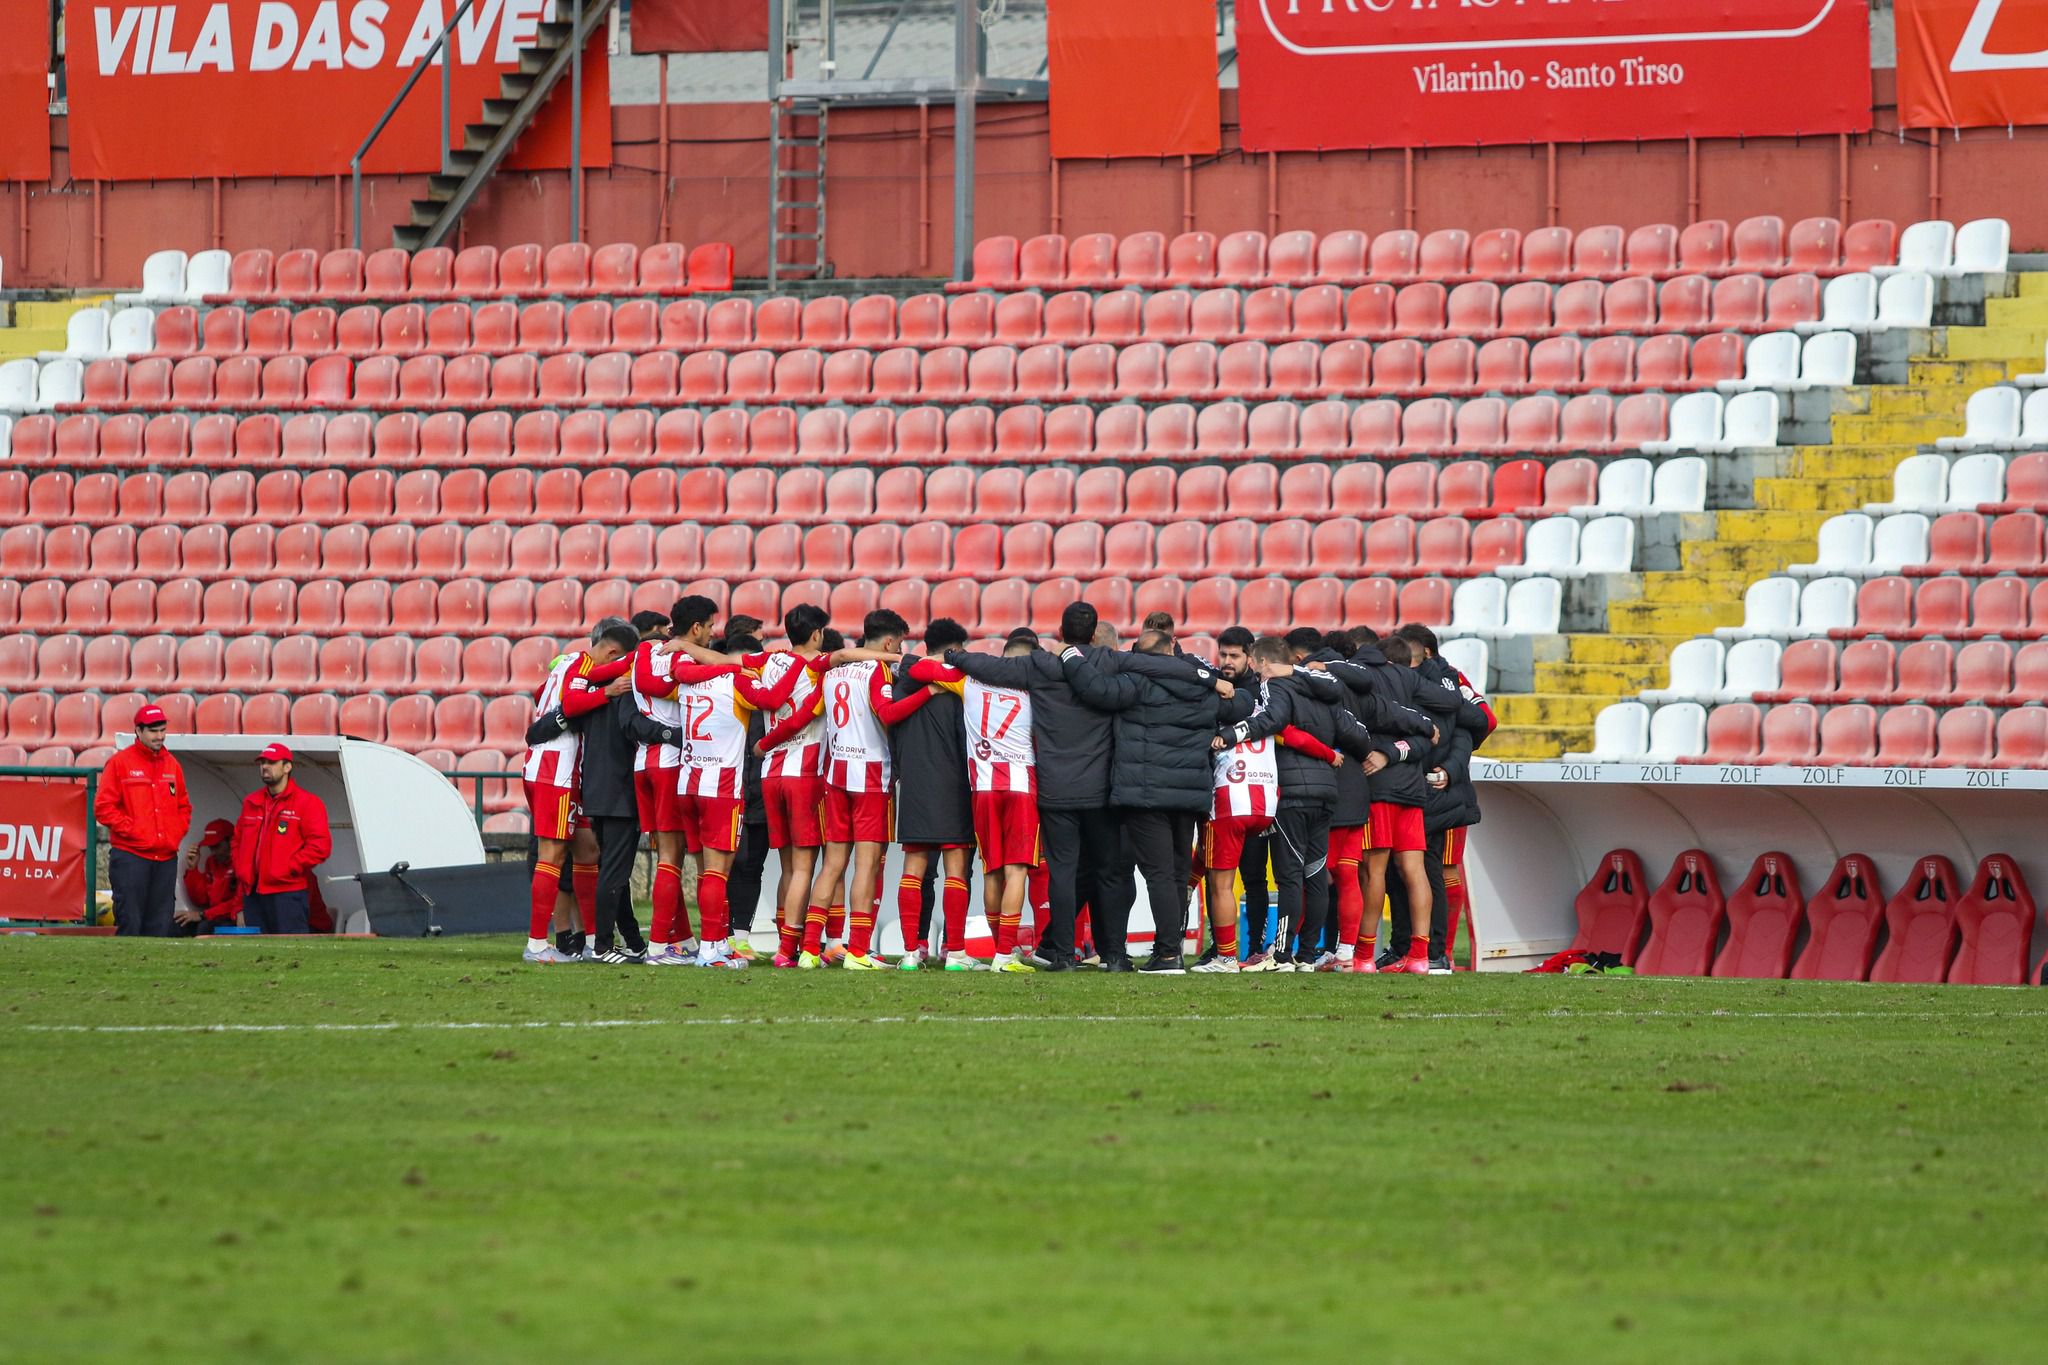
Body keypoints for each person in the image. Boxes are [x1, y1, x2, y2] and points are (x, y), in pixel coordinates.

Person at [945, 602, 1123, 970]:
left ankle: (1041, 953)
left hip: (1030, 787)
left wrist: (953, 654)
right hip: (1082, 787)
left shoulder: (1028, 672)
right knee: (1104, 871)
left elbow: (974, 665)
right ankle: (1114, 954)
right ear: (1092, 635)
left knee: (1042, 872)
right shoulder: (1106, 663)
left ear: (1060, 633)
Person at [1059, 629, 1234, 974]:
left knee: (1158, 875)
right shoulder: (1204, 687)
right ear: (1173, 650)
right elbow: (1240, 704)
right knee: (1176, 873)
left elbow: (1095, 689)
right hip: (1188, 793)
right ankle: (1171, 951)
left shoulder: (1134, 684)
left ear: (1139, 654)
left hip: (1146, 793)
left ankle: (1168, 954)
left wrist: (1069, 656)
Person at [1215, 638, 1379, 972]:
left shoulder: (1275, 688)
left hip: (1291, 792)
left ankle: (1282, 955)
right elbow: (1355, 734)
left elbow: (1274, 722)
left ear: (1262, 664)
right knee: (1316, 875)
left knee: (1290, 877)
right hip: (1326, 793)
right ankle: (1307, 955)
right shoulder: (1325, 696)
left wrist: (1234, 734)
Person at [800, 609, 924, 970]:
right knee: (866, 868)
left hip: (835, 773)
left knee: (833, 864)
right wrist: (924, 695)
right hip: (870, 776)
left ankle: (809, 949)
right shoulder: (879, 671)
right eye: (899, 643)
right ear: (889, 642)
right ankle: (857, 951)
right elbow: (887, 713)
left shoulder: (834, 669)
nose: (900, 649)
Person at [1318, 629, 1441, 974]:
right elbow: (1427, 729)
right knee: (1414, 871)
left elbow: (1374, 717)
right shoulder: (1412, 683)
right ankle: (1419, 957)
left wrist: (1385, 753)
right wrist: (1416, 736)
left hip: (1379, 788)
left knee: (1374, 872)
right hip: (1412, 787)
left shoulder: (1359, 680)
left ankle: (1363, 956)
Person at [521, 621, 638, 963]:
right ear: (613, 652)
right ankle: (537, 944)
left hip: (564, 770)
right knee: (553, 855)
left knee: (586, 853)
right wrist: (609, 692)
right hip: (555, 771)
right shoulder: (584, 666)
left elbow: (543, 697)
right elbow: (570, 705)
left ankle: (590, 941)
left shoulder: (568, 664)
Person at [1395, 623, 1496, 971]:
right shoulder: (1411, 680)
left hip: (1445, 788)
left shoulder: (1452, 679)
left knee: (1439, 867)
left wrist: (1451, 769)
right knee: (1416, 867)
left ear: (1424, 651)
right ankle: (1419, 948)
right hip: (1425, 785)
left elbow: (1485, 720)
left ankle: (1443, 950)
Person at [579, 615, 681, 963]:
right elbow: (631, 726)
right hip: (619, 789)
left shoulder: (590, 686)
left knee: (614, 870)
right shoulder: (624, 685)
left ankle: (633, 941)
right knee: (615, 872)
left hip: (595, 786)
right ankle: (603, 946)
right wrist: (670, 734)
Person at [886, 618, 979, 971]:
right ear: (958, 650)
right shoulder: (960, 688)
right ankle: (955, 953)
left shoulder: (904, 681)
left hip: (914, 784)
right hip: (953, 785)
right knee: (956, 870)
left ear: (925, 647)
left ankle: (911, 953)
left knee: (913, 869)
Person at [752, 603, 833, 968]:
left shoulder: (770, 661)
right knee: (804, 868)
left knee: (788, 868)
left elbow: (725, 661)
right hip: (804, 772)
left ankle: (788, 941)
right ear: (817, 634)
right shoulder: (818, 666)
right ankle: (788, 949)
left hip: (771, 773)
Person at [626, 608, 696, 957]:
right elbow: (669, 687)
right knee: (672, 857)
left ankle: (682, 940)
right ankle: (658, 945)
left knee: (666, 856)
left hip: (643, 762)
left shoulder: (638, 654)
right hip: (669, 762)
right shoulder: (680, 657)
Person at [94, 702, 192, 937]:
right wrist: (134, 830)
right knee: (130, 921)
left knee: (160, 924)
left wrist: (173, 834)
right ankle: (125, 971)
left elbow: (184, 806)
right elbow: (103, 807)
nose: (159, 736)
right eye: (153, 731)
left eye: (162, 730)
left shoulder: (172, 765)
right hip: (131, 857)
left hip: (164, 858)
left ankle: (155, 972)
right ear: (138, 731)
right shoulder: (120, 763)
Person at [1211, 627, 1273, 957]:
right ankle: (1221, 945)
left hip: (1256, 789)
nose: (1226, 662)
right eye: (1223, 655)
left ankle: (1254, 946)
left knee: (1253, 876)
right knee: (1214, 872)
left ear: (1250, 657)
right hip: (1221, 794)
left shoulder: (1262, 691)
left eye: (1234, 656)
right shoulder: (1216, 686)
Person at [232, 743, 333, 934]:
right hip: (253, 894)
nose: (264, 767)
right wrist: (241, 868)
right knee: (257, 955)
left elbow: (320, 846)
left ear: (288, 767)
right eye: (262, 762)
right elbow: (238, 842)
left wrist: (288, 867)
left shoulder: (308, 803)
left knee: (292, 952)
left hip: (288, 893)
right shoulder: (251, 802)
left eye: (271, 762)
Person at [722, 624, 773, 959]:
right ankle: (722, 934)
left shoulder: (761, 693)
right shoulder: (717, 688)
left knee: (752, 865)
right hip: (726, 789)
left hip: (757, 791)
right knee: (726, 865)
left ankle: (740, 935)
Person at [177, 819, 242, 934]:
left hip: (232, 917)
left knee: (205, 927)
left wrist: (204, 914)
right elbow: (201, 900)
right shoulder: (211, 862)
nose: (213, 852)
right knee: (176, 925)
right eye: (211, 847)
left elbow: (238, 902)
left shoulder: (241, 863)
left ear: (231, 841)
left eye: (217, 846)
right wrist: (193, 869)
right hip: (212, 916)